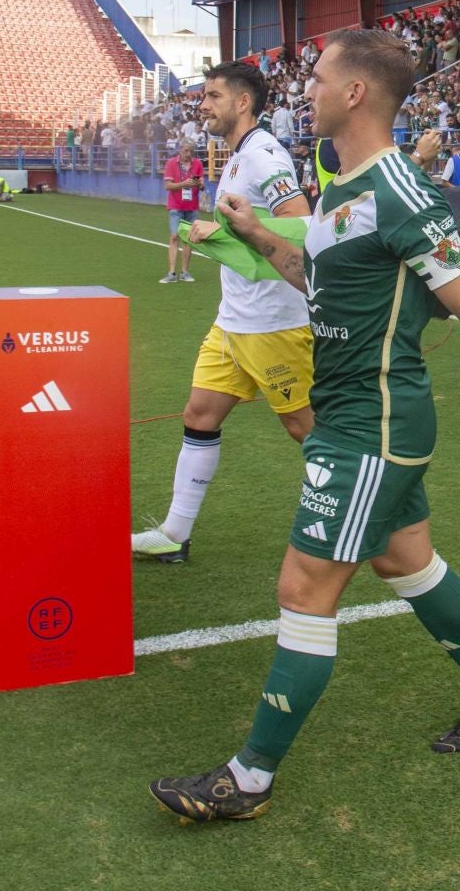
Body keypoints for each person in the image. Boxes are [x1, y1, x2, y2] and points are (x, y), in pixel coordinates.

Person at [150, 28, 460, 823]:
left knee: (304, 585)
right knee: (405, 559)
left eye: (318, 79)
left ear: (355, 93)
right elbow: (315, 277)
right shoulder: (342, 187)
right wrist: (254, 237)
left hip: (375, 423)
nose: (306, 90)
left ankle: (247, 781)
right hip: (358, 416)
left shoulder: (402, 192)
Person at [131, 63, 314, 564]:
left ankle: (363, 508)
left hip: (274, 323)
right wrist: (219, 230)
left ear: (242, 103)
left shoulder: (263, 156)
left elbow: (301, 225)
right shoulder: (236, 157)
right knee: (199, 415)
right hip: (234, 319)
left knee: (306, 428)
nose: (202, 105)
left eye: (212, 96)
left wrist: (225, 233)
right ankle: (175, 532)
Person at [160, 140, 204, 284]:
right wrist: (184, 184)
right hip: (176, 205)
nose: (188, 154)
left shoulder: (197, 164)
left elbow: (202, 183)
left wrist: (199, 184)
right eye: (186, 151)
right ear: (180, 150)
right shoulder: (171, 163)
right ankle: (171, 272)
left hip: (192, 206)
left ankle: (184, 271)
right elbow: (168, 185)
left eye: (191, 151)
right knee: (174, 237)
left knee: (189, 239)